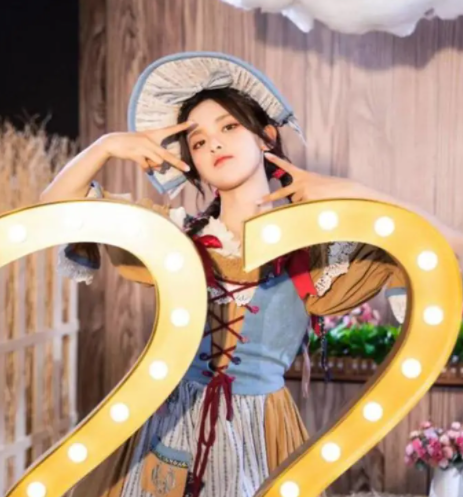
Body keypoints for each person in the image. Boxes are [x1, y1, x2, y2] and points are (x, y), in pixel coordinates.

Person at [41, 52, 462, 497]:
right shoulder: (175, 235)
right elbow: (51, 214)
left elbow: (450, 244)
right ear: (191, 162)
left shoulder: (315, 247)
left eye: (228, 127)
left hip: (262, 432)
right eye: (198, 142)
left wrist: (352, 192)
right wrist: (106, 146)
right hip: (168, 425)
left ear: (266, 136)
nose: (214, 145)